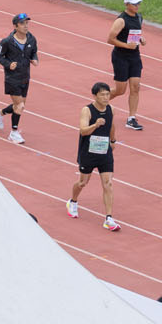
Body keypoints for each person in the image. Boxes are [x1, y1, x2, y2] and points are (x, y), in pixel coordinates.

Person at [65, 84, 119, 231]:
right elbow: (83, 131)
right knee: (83, 182)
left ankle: (109, 218)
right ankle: (73, 201)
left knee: (108, 183)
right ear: (95, 96)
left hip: (105, 152)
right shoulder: (87, 110)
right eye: (102, 95)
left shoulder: (111, 109)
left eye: (107, 94)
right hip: (88, 153)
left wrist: (113, 140)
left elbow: (112, 126)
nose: (106, 98)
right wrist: (95, 125)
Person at [105, 0, 146, 132]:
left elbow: (135, 33)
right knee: (120, 90)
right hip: (120, 57)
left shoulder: (139, 17)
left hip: (135, 57)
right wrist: (127, 46)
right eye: (134, 4)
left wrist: (141, 39)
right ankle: (98, 103)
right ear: (127, 4)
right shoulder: (121, 20)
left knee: (135, 87)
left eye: (138, 3)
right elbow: (110, 39)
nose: (137, 6)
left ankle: (131, 118)